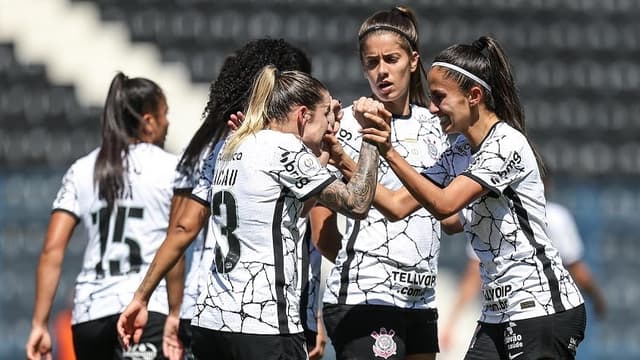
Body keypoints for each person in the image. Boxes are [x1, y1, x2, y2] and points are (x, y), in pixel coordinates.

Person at [117, 65, 386, 360]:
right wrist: (371, 136)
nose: (330, 126)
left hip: (212, 323)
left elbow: (294, 205)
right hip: (265, 326)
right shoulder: (285, 149)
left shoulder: (228, 147)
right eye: (325, 116)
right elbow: (357, 203)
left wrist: (140, 297)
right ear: (303, 116)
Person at [360, 35, 587, 359]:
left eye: (440, 97)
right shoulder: (460, 151)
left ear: (474, 96)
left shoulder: (506, 144)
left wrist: (389, 151)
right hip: (498, 311)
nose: (433, 107)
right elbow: (399, 207)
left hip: (540, 308)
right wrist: (342, 160)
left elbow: (444, 204)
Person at [160, 38, 319, 360]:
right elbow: (309, 230)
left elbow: (178, 230)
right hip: (269, 312)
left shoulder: (205, 148)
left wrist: (174, 310)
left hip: (204, 304)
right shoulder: (288, 153)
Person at [314, 6, 449, 360]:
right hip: (367, 296)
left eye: (391, 59)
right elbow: (322, 229)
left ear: (414, 60)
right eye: (372, 62)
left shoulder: (436, 128)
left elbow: (447, 214)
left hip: (422, 299)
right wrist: (368, 263)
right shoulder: (344, 127)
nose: (382, 71)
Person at [25, 72, 176, 360]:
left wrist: (39, 324)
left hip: (89, 316)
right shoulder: (172, 168)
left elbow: (52, 250)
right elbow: (181, 234)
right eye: (164, 114)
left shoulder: (82, 169)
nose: (168, 122)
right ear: (148, 121)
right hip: (145, 311)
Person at [439, 172, 607, 350]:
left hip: (534, 311)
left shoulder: (552, 217)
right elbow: (472, 271)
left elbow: (576, 268)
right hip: (505, 313)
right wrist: (597, 299)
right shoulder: (490, 215)